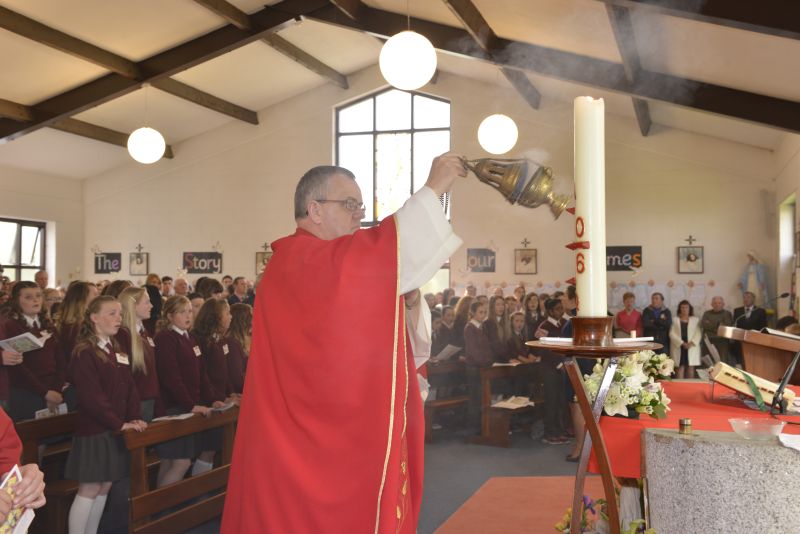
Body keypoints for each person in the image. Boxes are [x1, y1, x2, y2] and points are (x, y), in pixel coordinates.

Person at [222, 153, 465, 533]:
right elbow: (378, 252)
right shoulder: (298, 260)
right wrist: (434, 189)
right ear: (314, 210)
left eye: (361, 206)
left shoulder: (315, 261)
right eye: (350, 204)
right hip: (299, 442)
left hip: (306, 433)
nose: (359, 215)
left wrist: (408, 300)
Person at [65, 296, 146, 534]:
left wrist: (133, 416)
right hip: (94, 429)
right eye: (112, 313)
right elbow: (92, 398)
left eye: (120, 313)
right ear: (94, 318)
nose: (119, 318)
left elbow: (129, 385)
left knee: (105, 486)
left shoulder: (114, 347)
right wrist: (118, 423)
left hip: (113, 428)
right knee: (89, 488)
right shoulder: (85, 351)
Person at [154, 296, 225, 488]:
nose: (188, 316)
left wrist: (212, 400)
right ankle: (164, 504)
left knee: (171, 462)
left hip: (187, 406)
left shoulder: (190, 338)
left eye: (189, 311)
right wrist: (190, 405)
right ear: (170, 316)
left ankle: (163, 504)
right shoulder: (165, 339)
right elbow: (171, 378)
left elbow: (202, 374)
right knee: (180, 462)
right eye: (182, 312)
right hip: (174, 407)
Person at [4, 282, 65, 422]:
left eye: (38, 296)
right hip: (26, 391)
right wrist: (45, 393)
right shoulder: (11, 326)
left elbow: (61, 360)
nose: (35, 300)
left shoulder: (48, 326)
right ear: (17, 301)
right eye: (28, 297)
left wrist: (56, 389)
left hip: (53, 388)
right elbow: (18, 368)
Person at [669, 300, 702, 379]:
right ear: (679, 309)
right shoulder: (674, 320)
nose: (684, 309)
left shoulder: (696, 320)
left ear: (690, 309)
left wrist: (691, 343)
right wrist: (682, 343)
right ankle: (679, 385)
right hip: (679, 346)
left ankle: (690, 385)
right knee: (680, 368)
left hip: (691, 347)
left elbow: (698, 333)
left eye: (686, 307)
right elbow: (671, 333)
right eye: (682, 307)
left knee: (690, 368)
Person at [226, 303, 252, 391]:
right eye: (250, 317)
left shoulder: (246, 339)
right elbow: (237, 378)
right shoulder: (232, 343)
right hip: (241, 391)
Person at [700, 296, 733, 365]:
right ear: (711, 304)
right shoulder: (707, 313)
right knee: (708, 363)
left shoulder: (727, 314)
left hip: (722, 342)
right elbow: (704, 325)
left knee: (722, 363)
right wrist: (718, 325)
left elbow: (725, 327)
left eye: (719, 303)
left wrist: (710, 324)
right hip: (708, 342)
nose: (717, 305)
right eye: (715, 303)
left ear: (723, 304)